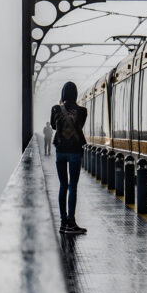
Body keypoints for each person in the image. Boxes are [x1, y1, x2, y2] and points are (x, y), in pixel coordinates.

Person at [51, 81, 87, 234]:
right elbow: (80, 126)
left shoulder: (55, 109)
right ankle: (71, 222)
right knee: (73, 186)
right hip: (75, 151)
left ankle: (63, 222)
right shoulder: (82, 111)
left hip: (60, 151)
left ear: (63, 94)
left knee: (63, 185)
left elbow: (53, 126)